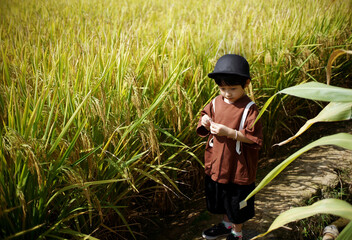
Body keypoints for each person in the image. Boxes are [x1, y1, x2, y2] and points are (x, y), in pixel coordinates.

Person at [196, 54, 263, 240]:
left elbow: (254, 138)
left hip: (238, 165)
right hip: (218, 161)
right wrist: (205, 120)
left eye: (232, 88)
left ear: (246, 83)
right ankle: (226, 225)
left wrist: (231, 133)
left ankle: (237, 232)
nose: (227, 93)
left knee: (236, 200)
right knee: (222, 196)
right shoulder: (216, 102)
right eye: (222, 88)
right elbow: (204, 115)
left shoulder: (250, 109)